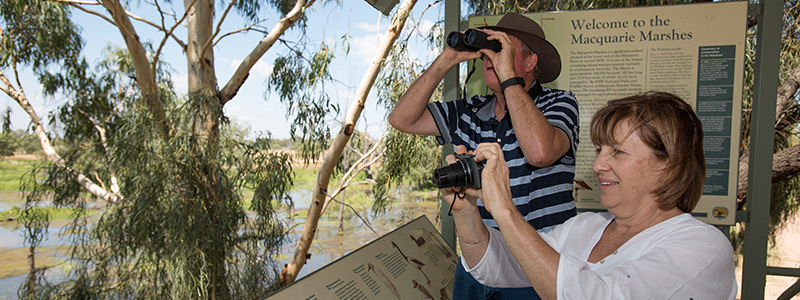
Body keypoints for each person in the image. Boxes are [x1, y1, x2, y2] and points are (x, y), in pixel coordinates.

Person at [448, 92, 737, 299]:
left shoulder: (704, 248)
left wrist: (506, 211)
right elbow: (500, 266)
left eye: (618, 152)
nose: (598, 165)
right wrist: (466, 212)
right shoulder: (585, 227)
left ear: (670, 165)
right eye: (599, 150)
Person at [388, 13, 578, 299]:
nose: (490, 57)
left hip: (538, 265)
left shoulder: (558, 103)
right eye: (487, 51)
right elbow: (402, 119)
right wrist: (448, 59)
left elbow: (540, 152)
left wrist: (508, 80)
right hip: (479, 262)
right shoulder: (470, 111)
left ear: (529, 62)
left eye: (502, 49)